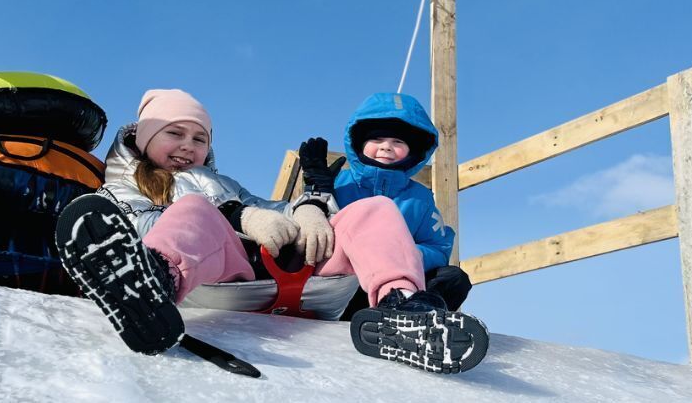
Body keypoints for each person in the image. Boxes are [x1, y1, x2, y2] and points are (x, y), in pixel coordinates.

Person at [55, 89, 488, 374]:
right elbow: (140, 227)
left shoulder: (225, 182)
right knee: (192, 210)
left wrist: (311, 208)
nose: (189, 146)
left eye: (199, 138)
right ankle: (150, 286)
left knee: (374, 210)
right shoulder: (120, 189)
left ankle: (405, 311)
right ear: (145, 138)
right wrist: (233, 216)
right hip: (216, 283)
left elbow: (275, 208)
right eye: (175, 133)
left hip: (297, 286)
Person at [296, 92, 474, 321]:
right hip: (344, 285)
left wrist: (400, 253)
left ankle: (419, 316)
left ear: (414, 150)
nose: (386, 147)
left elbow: (438, 247)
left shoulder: (419, 198)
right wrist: (317, 192)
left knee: (454, 278)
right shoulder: (339, 183)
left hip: (399, 286)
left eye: (398, 142)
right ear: (359, 144)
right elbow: (310, 230)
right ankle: (392, 311)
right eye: (377, 140)